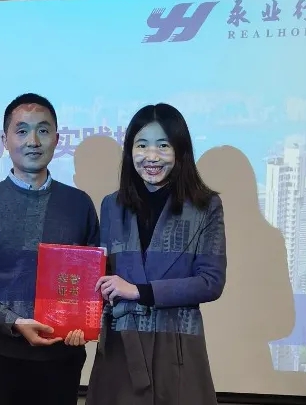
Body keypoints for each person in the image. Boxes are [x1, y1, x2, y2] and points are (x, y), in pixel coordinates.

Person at [0, 93, 99, 405]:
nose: (33, 141)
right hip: (0, 360)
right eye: (22, 131)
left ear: (57, 139)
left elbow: (93, 283)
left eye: (43, 130)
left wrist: (83, 324)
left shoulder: (79, 205)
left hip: (62, 360)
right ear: (4, 140)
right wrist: (14, 323)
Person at [85, 103, 227, 405]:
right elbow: (100, 275)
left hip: (177, 345)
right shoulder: (112, 205)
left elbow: (211, 282)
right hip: (122, 346)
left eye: (163, 145)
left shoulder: (205, 207)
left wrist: (140, 291)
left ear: (180, 151)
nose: (151, 156)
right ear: (130, 151)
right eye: (142, 145)